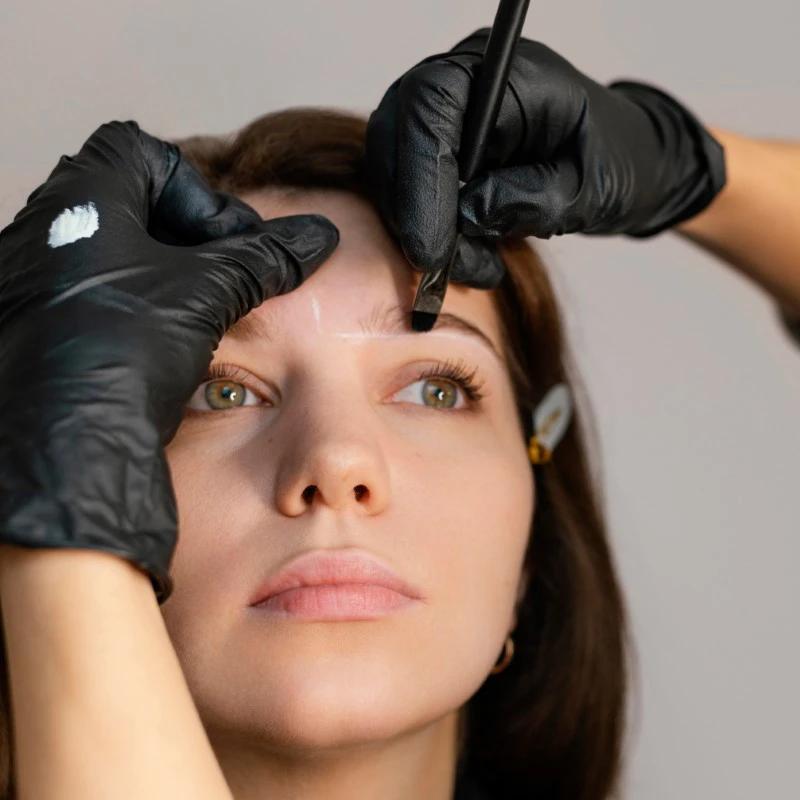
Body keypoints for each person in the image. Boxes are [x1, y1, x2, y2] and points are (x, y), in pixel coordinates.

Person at [0, 30, 797, 800]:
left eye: (436, 389)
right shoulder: (54, 478)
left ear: (531, 552)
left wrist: (696, 172)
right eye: (223, 390)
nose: (338, 462)